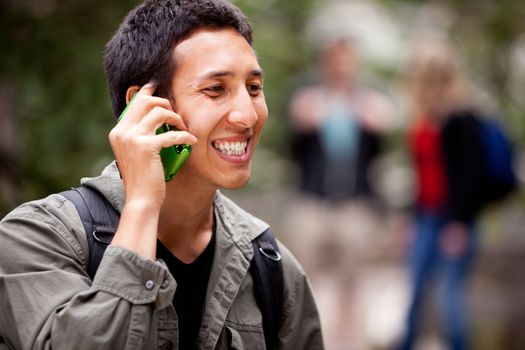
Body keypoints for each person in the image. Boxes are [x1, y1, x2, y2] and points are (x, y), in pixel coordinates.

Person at [0, 1, 323, 349]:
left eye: (254, 88)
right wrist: (141, 206)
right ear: (145, 107)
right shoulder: (37, 239)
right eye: (215, 89)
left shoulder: (271, 267)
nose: (248, 115)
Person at [285, 37, 394, 349]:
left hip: (357, 203)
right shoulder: (308, 96)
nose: (343, 65)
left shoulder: (369, 101)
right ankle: (311, 337)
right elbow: (292, 148)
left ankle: (350, 341)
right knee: (304, 276)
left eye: (349, 59)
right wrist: (302, 123)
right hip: (312, 200)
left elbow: (378, 154)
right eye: (337, 59)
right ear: (327, 62)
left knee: (354, 279)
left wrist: (376, 126)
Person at [399, 40, 485, 350]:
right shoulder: (421, 118)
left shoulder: (461, 118)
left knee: (450, 297)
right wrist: (411, 221)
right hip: (426, 215)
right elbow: (420, 177)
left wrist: (461, 223)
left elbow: (469, 176)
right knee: (415, 292)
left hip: (453, 218)